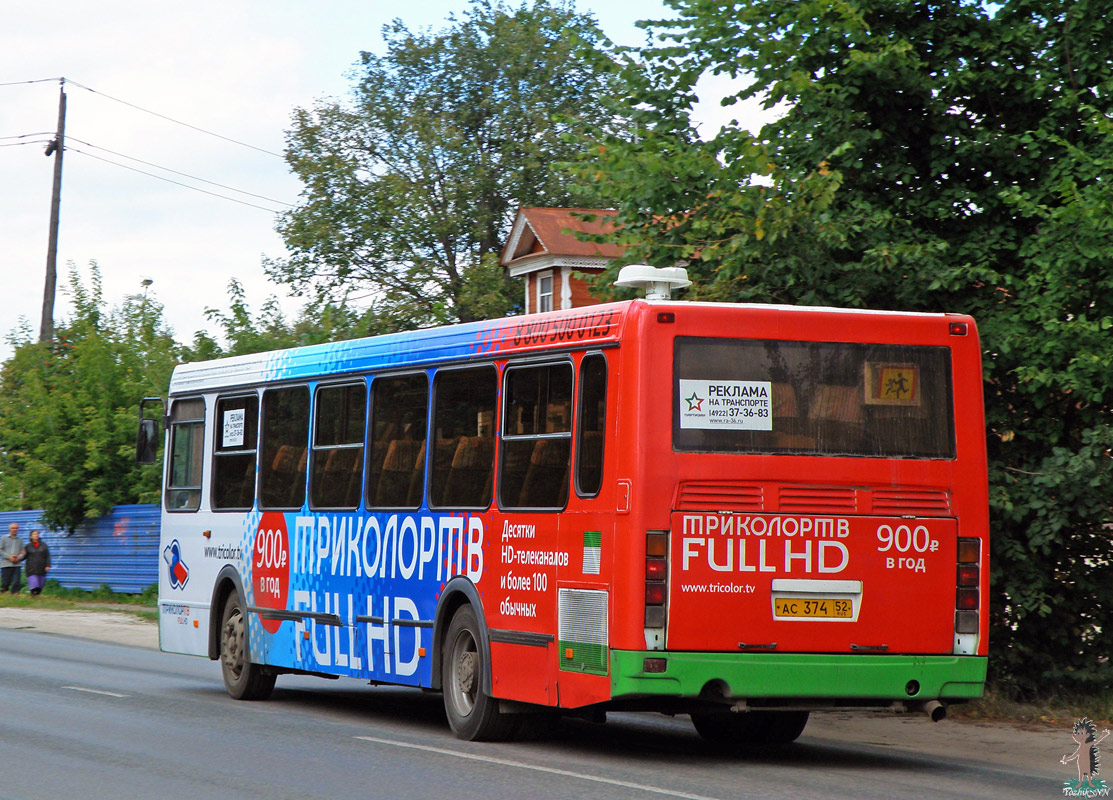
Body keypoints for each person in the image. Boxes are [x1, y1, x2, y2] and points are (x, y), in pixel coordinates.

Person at [22, 529, 50, 596]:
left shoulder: (43, 545)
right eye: (34, 534)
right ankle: (34, 595)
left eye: (37, 534)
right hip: (31, 569)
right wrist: (20, 555)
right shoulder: (28, 546)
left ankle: (36, 597)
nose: (36, 535)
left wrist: (48, 565)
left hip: (41, 568)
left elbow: (47, 555)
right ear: (31, 536)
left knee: (40, 585)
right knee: (34, 584)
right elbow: (24, 557)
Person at [0, 523, 25, 593]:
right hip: (6, 564)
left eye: (16, 528)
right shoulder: (4, 538)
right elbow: (0, 550)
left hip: (17, 564)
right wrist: (9, 557)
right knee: (5, 582)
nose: (15, 530)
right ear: (10, 529)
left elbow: (23, 552)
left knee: (16, 582)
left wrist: (18, 558)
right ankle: (4, 595)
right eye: (13, 528)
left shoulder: (20, 540)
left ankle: (15, 596)